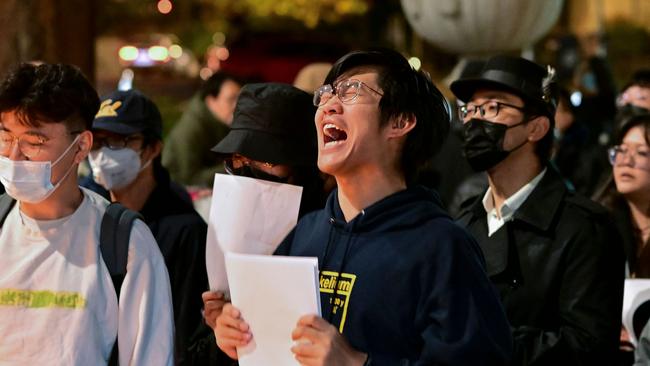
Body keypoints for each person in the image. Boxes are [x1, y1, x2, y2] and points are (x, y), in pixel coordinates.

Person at [215, 48, 513, 365]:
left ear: (401, 121)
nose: (328, 105)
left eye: (351, 91)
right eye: (326, 95)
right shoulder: (304, 233)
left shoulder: (443, 248)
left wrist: (356, 362)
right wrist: (241, 336)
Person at [451, 55, 624, 365]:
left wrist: (483, 341)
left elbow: (588, 345)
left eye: (494, 107)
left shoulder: (584, 228)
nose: (476, 120)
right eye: (471, 109)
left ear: (536, 128)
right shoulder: (464, 221)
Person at [0, 63, 173, 365]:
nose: (14, 155)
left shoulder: (124, 242)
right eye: (5, 137)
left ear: (81, 146)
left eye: (34, 142)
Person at [192, 82, 327, 365]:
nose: (247, 172)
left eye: (264, 160)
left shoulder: (331, 232)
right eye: (237, 160)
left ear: (302, 164)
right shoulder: (219, 233)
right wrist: (221, 329)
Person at [87, 89, 208, 365]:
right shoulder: (85, 212)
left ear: (153, 148)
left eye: (118, 141)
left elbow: (184, 328)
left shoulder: (184, 229)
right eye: (96, 142)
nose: (102, 153)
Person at [163, 72, 241, 188]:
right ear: (211, 101)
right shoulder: (191, 128)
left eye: (239, 99)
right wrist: (235, 166)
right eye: (230, 99)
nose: (237, 106)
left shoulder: (222, 122)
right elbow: (190, 178)